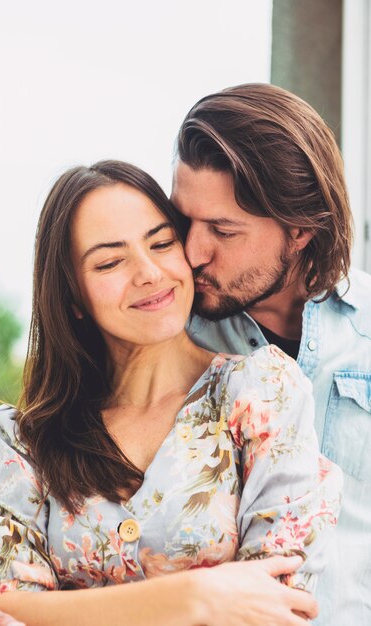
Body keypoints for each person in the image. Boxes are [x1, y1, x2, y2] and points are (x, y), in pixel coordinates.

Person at [0, 160, 341, 626]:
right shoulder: (28, 439)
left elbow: (280, 607)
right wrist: (192, 597)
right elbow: (2, 607)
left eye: (162, 243)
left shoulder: (263, 392)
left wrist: (54, 613)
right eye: (110, 262)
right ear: (73, 296)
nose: (148, 272)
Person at [171, 82, 371, 625]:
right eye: (184, 220)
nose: (192, 251)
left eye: (222, 230)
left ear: (300, 227)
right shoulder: (169, 337)